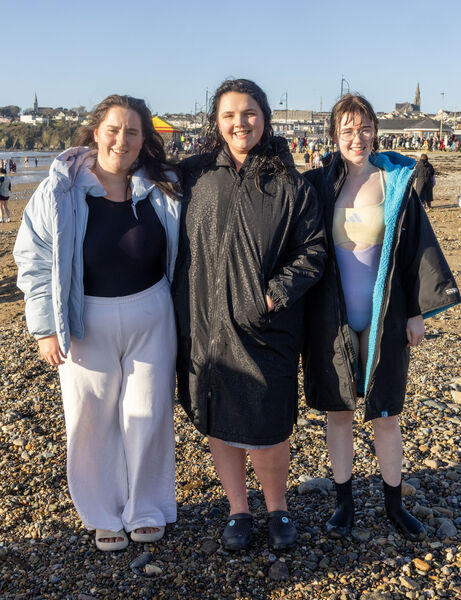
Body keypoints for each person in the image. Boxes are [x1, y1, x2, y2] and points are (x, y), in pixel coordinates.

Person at [14, 94, 181, 551]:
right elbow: (33, 257)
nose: (121, 140)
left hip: (153, 313)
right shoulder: (61, 188)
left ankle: (145, 507)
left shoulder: (163, 185)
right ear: (95, 131)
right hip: (86, 318)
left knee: (148, 414)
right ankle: (102, 512)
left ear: (144, 139)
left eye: (132, 131)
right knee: (90, 418)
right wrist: (45, 327)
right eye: (113, 129)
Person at [173, 78, 326, 551]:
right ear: (216, 122)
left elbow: (314, 250)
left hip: (267, 326)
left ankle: (277, 506)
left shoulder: (288, 182)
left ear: (265, 117)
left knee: (268, 421)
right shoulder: (191, 175)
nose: (240, 123)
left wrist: (273, 296)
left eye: (249, 113)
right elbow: (125, 178)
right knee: (217, 415)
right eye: (229, 115)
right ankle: (239, 509)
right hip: (203, 323)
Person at [302, 93, 460, 541]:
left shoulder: (396, 186)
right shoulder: (317, 184)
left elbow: (415, 254)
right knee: (338, 413)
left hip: (384, 314)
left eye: (364, 128)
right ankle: (343, 504)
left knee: (386, 413)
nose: (357, 137)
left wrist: (416, 313)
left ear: (376, 131)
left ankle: (395, 504)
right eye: (348, 130)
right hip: (330, 316)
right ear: (334, 135)